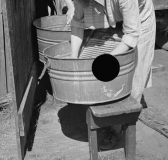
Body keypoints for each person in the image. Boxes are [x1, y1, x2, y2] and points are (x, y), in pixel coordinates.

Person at [64, 0, 156, 149]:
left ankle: (120, 129)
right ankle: (108, 114)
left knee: (135, 73)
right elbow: (77, 23)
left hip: (139, 18)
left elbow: (132, 34)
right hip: (115, 15)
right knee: (106, 66)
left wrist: (106, 59)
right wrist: (74, 59)